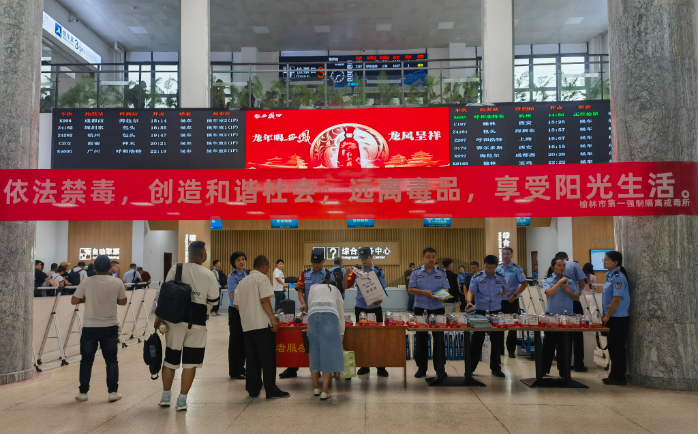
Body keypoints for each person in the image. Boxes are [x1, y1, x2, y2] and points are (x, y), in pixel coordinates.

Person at [155, 241, 220, 411]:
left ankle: (165, 396)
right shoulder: (209, 274)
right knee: (190, 363)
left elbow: (165, 294)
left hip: (174, 321)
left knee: (170, 360)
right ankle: (182, 400)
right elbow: (214, 300)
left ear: (189, 254)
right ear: (203, 255)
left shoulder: (176, 269)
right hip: (197, 323)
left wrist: (159, 316)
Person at [72, 255, 128, 403]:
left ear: (94, 267)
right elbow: (123, 302)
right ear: (110, 267)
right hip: (110, 326)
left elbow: (74, 300)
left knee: (86, 361)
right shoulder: (117, 282)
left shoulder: (86, 281)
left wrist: (87, 299)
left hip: (89, 326)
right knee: (111, 360)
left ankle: (83, 393)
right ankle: (113, 392)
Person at [234, 255, 290, 399]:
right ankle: (271, 390)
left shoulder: (242, 281)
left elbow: (236, 304)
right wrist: (272, 319)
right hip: (262, 325)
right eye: (268, 267)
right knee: (267, 359)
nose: (268, 269)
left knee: (252, 359)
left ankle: (253, 389)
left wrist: (248, 314)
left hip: (247, 326)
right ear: (264, 265)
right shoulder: (262, 278)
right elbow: (265, 300)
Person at [280, 248, 330, 379]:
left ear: (323, 261)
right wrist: (303, 303)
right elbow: (300, 290)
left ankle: (320, 369)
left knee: (321, 342)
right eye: (313, 262)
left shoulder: (329, 275)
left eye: (318, 263)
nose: (315, 265)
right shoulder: (305, 274)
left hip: (323, 313)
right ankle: (292, 368)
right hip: (307, 313)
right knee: (300, 340)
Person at [344, 247, 389, 377]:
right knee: (362, 338)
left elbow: (383, 288)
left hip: (375, 308)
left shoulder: (378, 271)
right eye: (362, 258)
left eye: (366, 258)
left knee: (379, 338)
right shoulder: (356, 271)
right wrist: (346, 274)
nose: (364, 260)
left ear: (371, 257)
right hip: (361, 308)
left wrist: (380, 300)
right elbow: (346, 286)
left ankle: (381, 367)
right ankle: (364, 366)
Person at [409, 248, 450, 378]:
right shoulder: (416, 272)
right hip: (421, 309)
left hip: (438, 308)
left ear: (435, 258)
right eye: (428, 257)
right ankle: (421, 369)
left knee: (439, 339)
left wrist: (443, 295)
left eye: (433, 257)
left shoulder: (442, 272)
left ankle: (440, 368)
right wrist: (425, 293)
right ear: (423, 259)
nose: (431, 259)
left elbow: (446, 288)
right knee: (421, 340)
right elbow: (411, 289)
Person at [465, 255, 508, 378]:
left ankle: (496, 368)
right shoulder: (477, 277)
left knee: (497, 341)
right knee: (477, 340)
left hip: (496, 311)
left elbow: (506, 288)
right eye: (487, 267)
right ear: (484, 265)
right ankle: (470, 368)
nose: (489, 270)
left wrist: (499, 297)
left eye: (492, 267)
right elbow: (471, 291)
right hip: (480, 312)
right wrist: (469, 301)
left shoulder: (500, 277)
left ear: (496, 267)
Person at [307, 271, 345, 400]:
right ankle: (324, 391)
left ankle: (315, 388)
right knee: (327, 354)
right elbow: (340, 314)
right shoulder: (336, 290)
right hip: (330, 318)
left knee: (315, 353)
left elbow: (310, 307)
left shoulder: (313, 288)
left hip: (313, 318)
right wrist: (342, 333)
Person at [541, 257, 581, 377]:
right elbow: (550, 293)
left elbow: (577, 297)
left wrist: (568, 291)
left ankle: (564, 371)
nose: (562, 267)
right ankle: (543, 370)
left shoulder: (570, 281)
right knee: (549, 344)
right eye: (559, 265)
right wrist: (559, 283)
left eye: (563, 265)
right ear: (552, 267)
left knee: (565, 345)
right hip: (552, 316)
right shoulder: (547, 280)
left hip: (567, 316)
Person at [555, 252, 588, 372]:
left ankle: (564, 364)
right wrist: (578, 293)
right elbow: (582, 282)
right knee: (577, 334)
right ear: (567, 258)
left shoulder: (554, 268)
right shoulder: (573, 265)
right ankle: (578, 364)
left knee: (563, 334)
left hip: (560, 304)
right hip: (574, 302)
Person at [601, 251, 630, 386]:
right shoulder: (610, 276)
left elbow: (616, 299)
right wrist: (604, 313)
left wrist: (607, 315)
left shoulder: (618, 277)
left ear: (615, 262)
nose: (604, 262)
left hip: (618, 317)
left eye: (606, 260)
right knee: (612, 347)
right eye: (604, 259)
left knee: (617, 348)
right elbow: (606, 299)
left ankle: (619, 377)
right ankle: (614, 374)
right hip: (611, 316)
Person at [496, 247, 528, 359]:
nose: (505, 256)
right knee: (498, 325)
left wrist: (514, 295)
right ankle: (499, 350)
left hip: (512, 301)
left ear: (511, 255)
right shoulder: (498, 268)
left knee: (512, 326)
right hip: (499, 301)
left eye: (507, 253)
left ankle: (511, 350)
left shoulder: (516, 268)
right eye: (503, 254)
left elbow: (524, 284)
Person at [227, 251, 248, 380]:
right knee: (236, 341)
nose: (241, 262)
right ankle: (235, 371)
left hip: (245, 310)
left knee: (244, 341)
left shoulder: (247, 274)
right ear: (233, 263)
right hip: (236, 311)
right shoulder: (232, 276)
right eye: (238, 260)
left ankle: (241, 368)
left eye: (243, 259)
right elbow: (234, 297)